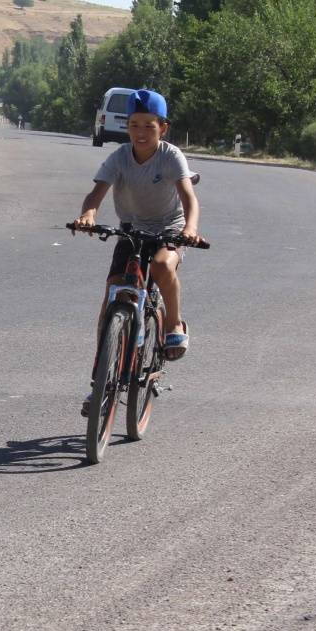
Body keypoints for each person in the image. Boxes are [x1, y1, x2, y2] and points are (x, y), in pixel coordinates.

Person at [71, 89, 201, 404]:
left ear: (163, 128)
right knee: (113, 292)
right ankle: (99, 382)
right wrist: (88, 214)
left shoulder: (170, 156)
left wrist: (190, 229)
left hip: (169, 227)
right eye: (134, 125)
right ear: (127, 126)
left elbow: (188, 198)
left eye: (148, 126)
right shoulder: (118, 158)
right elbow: (96, 194)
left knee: (160, 266)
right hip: (131, 229)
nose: (140, 133)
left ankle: (173, 322)